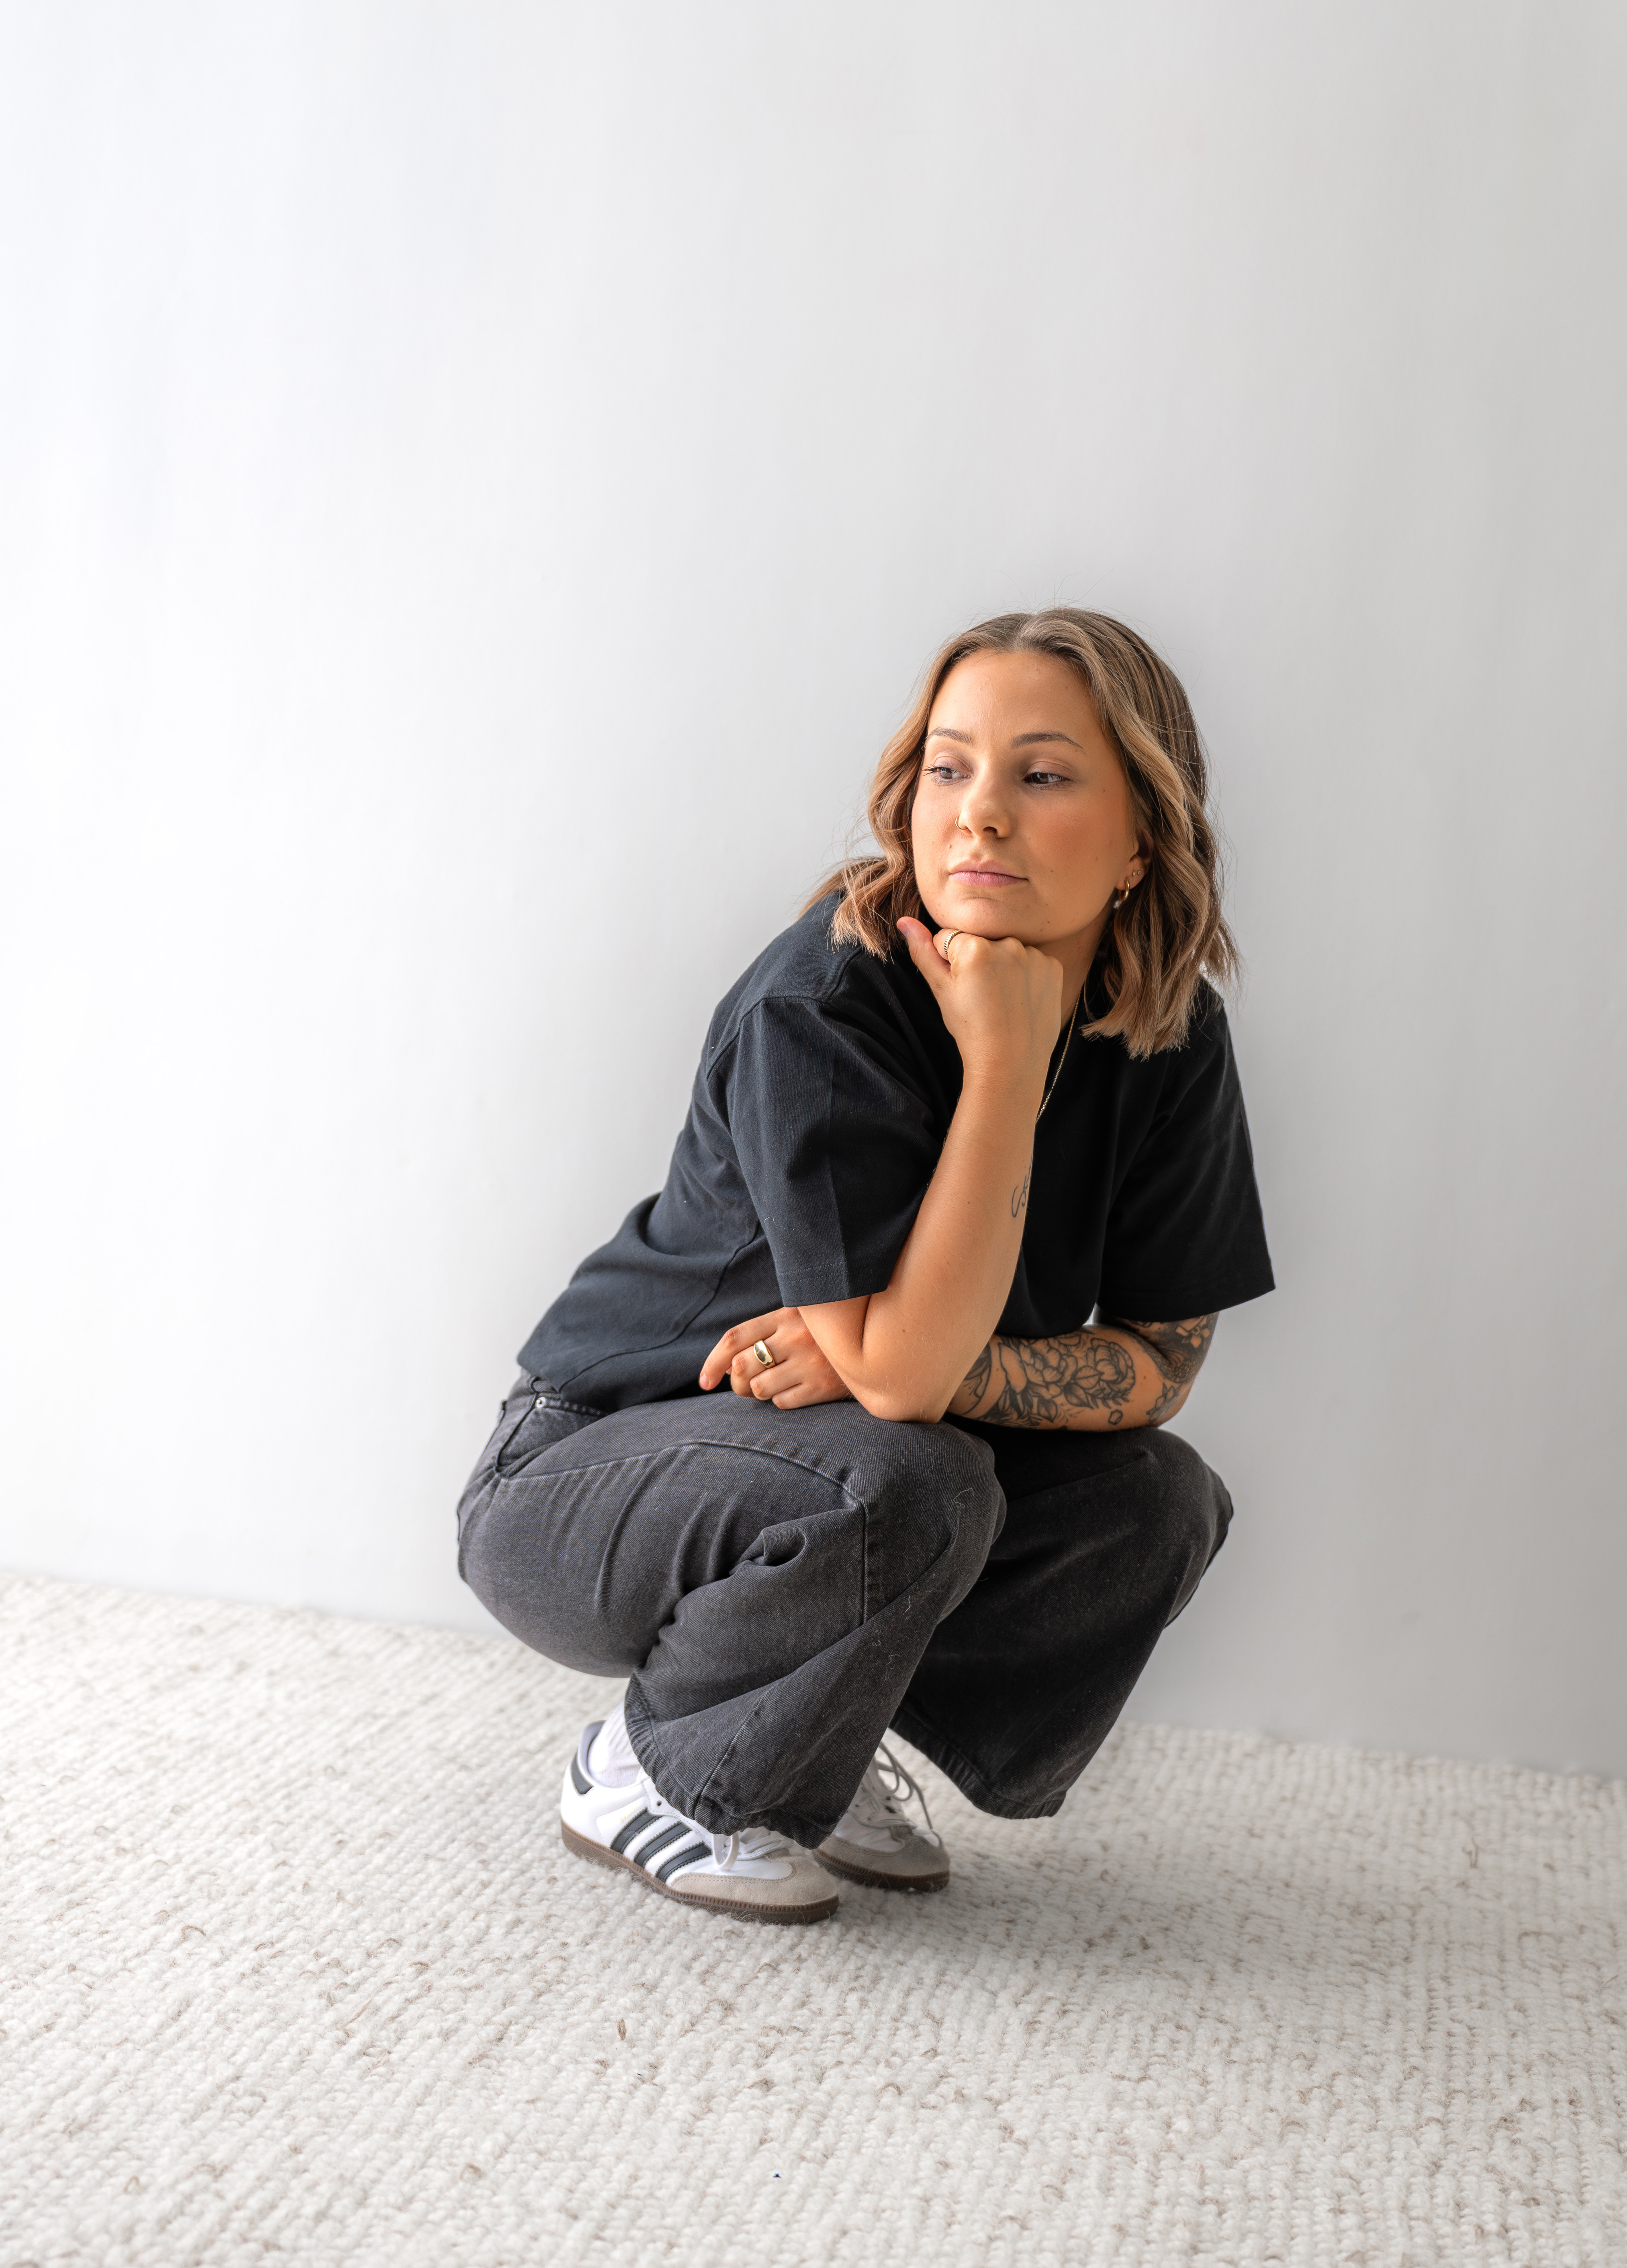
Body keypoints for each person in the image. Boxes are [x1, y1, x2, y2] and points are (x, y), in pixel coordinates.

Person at [456, 608, 1273, 1924]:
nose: (980, 812)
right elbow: (900, 1387)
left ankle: (812, 1739)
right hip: (580, 1476)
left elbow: (1162, 1363)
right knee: (915, 1477)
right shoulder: (826, 1000)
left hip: (849, 1462)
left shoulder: (1166, 1031)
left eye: (1042, 774)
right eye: (950, 768)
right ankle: (654, 1769)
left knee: (1156, 1502)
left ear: (1141, 840)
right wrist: (1004, 1066)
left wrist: (932, 1371)